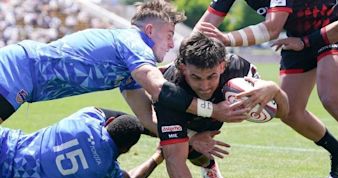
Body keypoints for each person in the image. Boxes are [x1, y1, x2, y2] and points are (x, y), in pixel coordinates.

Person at [194, 0, 338, 178]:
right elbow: (204, 29)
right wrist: (184, 60)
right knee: (289, 112)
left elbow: (272, 28)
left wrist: (226, 38)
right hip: (296, 39)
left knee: (331, 97)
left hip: (331, 29)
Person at [0, 0, 248, 129]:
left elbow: (149, 119)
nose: (172, 44)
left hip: (22, 78)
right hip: (17, 69)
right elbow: (162, 90)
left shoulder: (131, 70)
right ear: (150, 30)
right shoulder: (134, 42)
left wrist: (192, 140)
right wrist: (212, 111)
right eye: (170, 34)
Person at [153, 32, 289, 178]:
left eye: (211, 76)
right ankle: (207, 164)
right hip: (170, 113)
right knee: (185, 150)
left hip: (213, 117)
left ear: (223, 66)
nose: (205, 86)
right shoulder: (170, 89)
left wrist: (275, 89)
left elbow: (283, 113)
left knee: (205, 137)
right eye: (196, 77)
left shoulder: (239, 69)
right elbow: (174, 158)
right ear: (184, 69)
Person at [0, 106, 163, 178]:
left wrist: (150, 128)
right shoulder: (106, 173)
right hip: (6, 176)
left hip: (6, 141)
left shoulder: (87, 120)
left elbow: (101, 110)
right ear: (126, 150)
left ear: (109, 121)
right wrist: (158, 155)